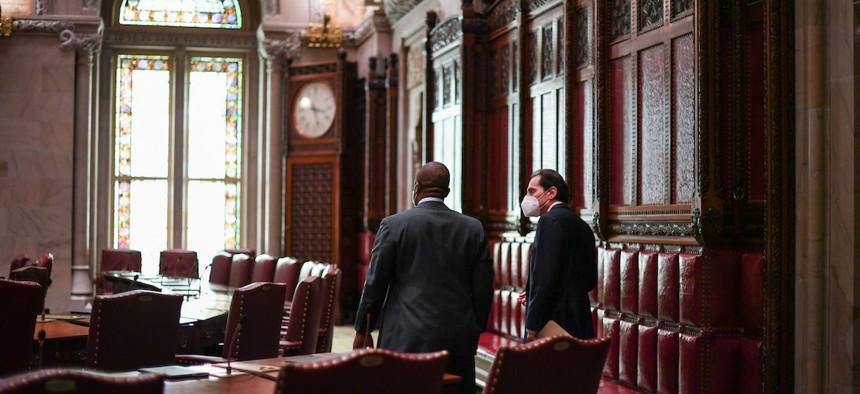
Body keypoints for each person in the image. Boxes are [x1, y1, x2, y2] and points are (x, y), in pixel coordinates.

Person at [353, 161, 494, 394]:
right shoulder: (473, 229)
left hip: (405, 339)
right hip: (457, 340)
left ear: (416, 188)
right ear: (447, 192)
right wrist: (472, 329)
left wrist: (363, 329)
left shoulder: (393, 226)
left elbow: (375, 283)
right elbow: (483, 289)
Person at [519, 169, 596, 341]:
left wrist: (533, 325)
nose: (528, 198)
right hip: (580, 318)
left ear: (551, 192)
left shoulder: (548, 221)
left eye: (532, 191)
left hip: (554, 322)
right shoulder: (582, 225)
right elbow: (589, 279)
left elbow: (544, 278)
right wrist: (530, 291)